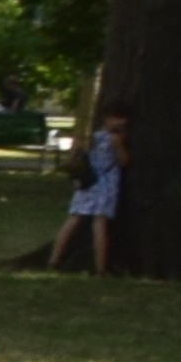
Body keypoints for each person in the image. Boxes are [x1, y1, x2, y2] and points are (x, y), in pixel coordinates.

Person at [46, 101, 132, 271]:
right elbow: (124, 161)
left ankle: (54, 260)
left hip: (87, 182)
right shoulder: (113, 139)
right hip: (105, 184)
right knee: (99, 224)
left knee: (74, 220)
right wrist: (121, 146)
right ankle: (100, 267)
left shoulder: (90, 138)